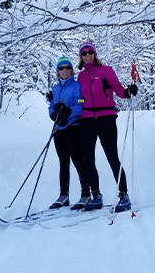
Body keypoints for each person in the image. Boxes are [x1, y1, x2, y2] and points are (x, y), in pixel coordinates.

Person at [76, 42, 138, 212]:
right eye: (84, 53)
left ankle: (124, 195)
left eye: (90, 52)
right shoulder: (80, 76)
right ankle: (96, 195)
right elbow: (78, 97)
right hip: (86, 119)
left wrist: (128, 92)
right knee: (87, 159)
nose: (88, 55)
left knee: (112, 157)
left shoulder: (105, 70)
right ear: (81, 56)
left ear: (95, 54)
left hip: (106, 117)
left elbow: (117, 88)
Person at [47, 56, 91, 210]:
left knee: (77, 160)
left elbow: (80, 107)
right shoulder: (56, 88)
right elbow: (51, 106)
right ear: (58, 71)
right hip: (59, 129)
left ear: (71, 70)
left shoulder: (76, 86)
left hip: (73, 127)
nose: (64, 70)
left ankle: (86, 194)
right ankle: (64, 195)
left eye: (67, 68)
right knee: (63, 162)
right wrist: (53, 115)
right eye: (61, 68)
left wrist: (68, 112)